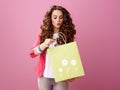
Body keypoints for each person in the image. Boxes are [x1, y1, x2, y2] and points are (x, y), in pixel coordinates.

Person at [29, 5, 76, 90]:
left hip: (62, 77)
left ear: (64, 19)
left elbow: (71, 56)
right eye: (55, 17)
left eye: (61, 17)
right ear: (50, 18)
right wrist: (43, 45)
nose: (58, 20)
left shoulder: (68, 35)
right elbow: (32, 54)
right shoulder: (43, 33)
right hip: (44, 76)